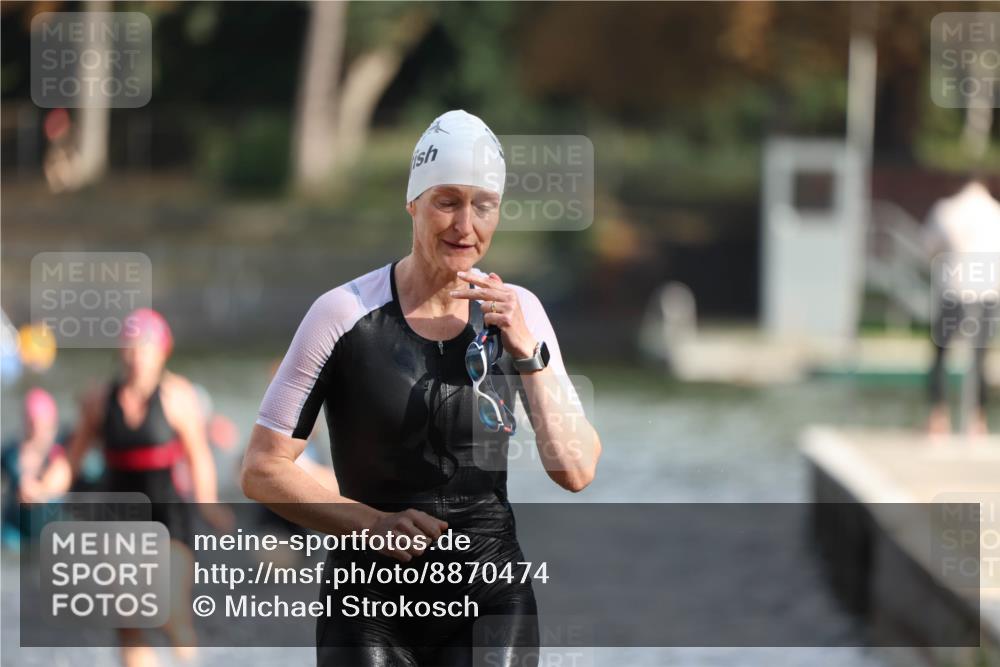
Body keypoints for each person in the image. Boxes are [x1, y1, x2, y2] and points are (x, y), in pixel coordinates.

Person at [241, 109, 602, 666]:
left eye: (483, 205)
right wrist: (373, 524)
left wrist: (527, 353)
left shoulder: (520, 312)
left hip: (489, 591)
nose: (464, 225)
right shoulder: (342, 314)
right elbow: (262, 469)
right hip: (367, 602)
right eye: (447, 201)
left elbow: (575, 471)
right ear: (413, 203)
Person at [54, 308, 230, 667]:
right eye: (131, 346)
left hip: (169, 516)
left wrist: (208, 503)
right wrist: (43, 486)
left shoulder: (178, 397)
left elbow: (198, 456)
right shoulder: (99, 399)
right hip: (118, 517)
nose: (136, 355)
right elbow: (71, 459)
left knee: (169, 609)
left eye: (145, 347)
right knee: (129, 620)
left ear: (162, 351)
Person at [924, 177, 1000, 435]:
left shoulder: (947, 210)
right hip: (986, 293)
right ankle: (978, 420)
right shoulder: (995, 214)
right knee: (980, 358)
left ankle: (938, 417)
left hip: (954, 290)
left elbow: (929, 246)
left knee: (940, 355)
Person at [1, 388, 70, 550]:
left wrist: (40, 491)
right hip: (15, 530)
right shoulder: (10, 454)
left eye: (42, 423)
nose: (37, 429)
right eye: (32, 423)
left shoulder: (62, 452)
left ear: (52, 424)